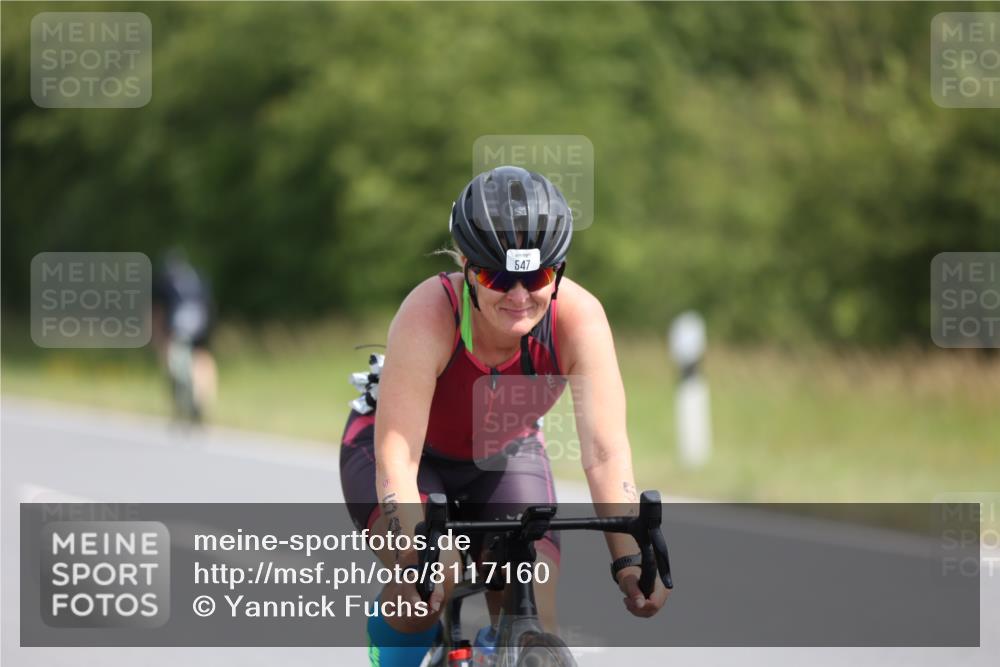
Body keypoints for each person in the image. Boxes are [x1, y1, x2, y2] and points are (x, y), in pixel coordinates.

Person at [340, 166, 670, 667]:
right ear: (468, 268)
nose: (519, 296)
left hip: (504, 454)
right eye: (498, 276)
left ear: (557, 271)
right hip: (405, 454)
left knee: (533, 609)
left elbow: (605, 452)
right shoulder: (431, 311)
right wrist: (415, 551)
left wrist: (629, 558)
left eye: (535, 277)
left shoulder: (578, 319)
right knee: (431, 580)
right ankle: (392, 647)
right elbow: (399, 455)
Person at [151, 248, 218, 420]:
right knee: (200, 361)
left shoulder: (165, 281)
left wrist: (157, 336)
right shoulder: (199, 278)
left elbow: (157, 311)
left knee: (171, 364)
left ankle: (180, 404)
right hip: (201, 325)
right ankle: (200, 398)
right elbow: (209, 305)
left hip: (176, 327)